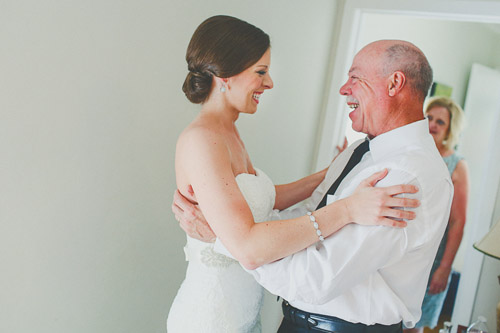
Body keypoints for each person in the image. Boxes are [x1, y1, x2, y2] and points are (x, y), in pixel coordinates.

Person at [174, 39, 454, 332]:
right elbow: (304, 216)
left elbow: (316, 278)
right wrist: (241, 233)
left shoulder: (407, 177)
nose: (344, 89)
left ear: (394, 83)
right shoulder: (359, 151)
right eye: (261, 71)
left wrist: (226, 241)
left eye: (355, 78)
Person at [404, 97, 470, 332]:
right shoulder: (413, 153)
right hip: (401, 251)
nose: (432, 124)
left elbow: (458, 222)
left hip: (431, 257)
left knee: (413, 326)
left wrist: (444, 268)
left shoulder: (456, 165)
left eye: (440, 122)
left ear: (450, 130)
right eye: (429, 117)